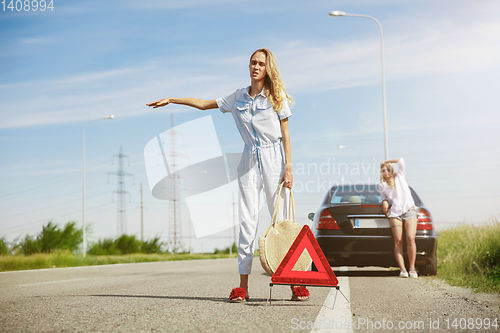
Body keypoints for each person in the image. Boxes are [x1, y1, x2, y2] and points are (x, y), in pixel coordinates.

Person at [147, 48, 309, 301]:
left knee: (283, 221)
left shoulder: (276, 97)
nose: (255, 67)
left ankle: (295, 282)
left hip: (274, 159)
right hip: (248, 160)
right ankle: (242, 286)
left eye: (260, 64)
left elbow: (286, 134)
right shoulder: (237, 98)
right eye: (252, 62)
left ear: (268, 68)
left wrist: (289, 166)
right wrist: (172, 99)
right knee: (247, 222)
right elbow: (203, 105)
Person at [378, 158, 418, 279]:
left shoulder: (399, 176)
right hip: (395, 213)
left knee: (410, 238)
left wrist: (386, 161)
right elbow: (383, 197)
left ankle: (412, 268)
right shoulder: (382, 185)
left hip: (409, 210)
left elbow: (401, 160)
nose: (386, 173)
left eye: (388, 170)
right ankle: (403, 270)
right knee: (398, 241)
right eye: (383, 170)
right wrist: (384, 201)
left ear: (391, 170)